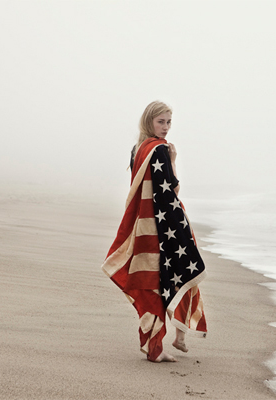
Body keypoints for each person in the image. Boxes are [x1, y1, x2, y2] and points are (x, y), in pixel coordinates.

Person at [102, 101, 207, 362]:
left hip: (144, 224)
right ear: (149, 121)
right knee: (180, 272)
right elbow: (171, 189)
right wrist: (172, 160)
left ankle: (162, 341)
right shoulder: (159, 150)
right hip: (166, 225)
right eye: (161, 121)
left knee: (154, 281)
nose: (166, 127)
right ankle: (169, 340)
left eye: (169, 122)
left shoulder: (138, 149)